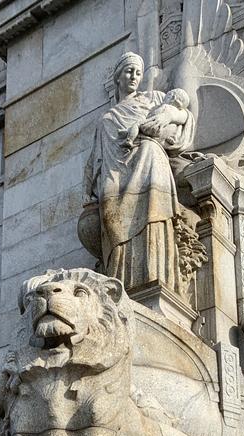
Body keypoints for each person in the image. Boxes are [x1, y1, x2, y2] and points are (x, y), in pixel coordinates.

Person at [83, 52, 196, 295]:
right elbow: (97, 163)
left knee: (148, 154)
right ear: (117, 77)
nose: (134, 76)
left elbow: (184, 117)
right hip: (115, 173)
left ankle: (156, 276)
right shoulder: (107, 118)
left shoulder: (153, 99)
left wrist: (170, 114)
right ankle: (119, 282)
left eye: (137, 71)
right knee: (110, 216)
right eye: (128, 71)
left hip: (149, 160)